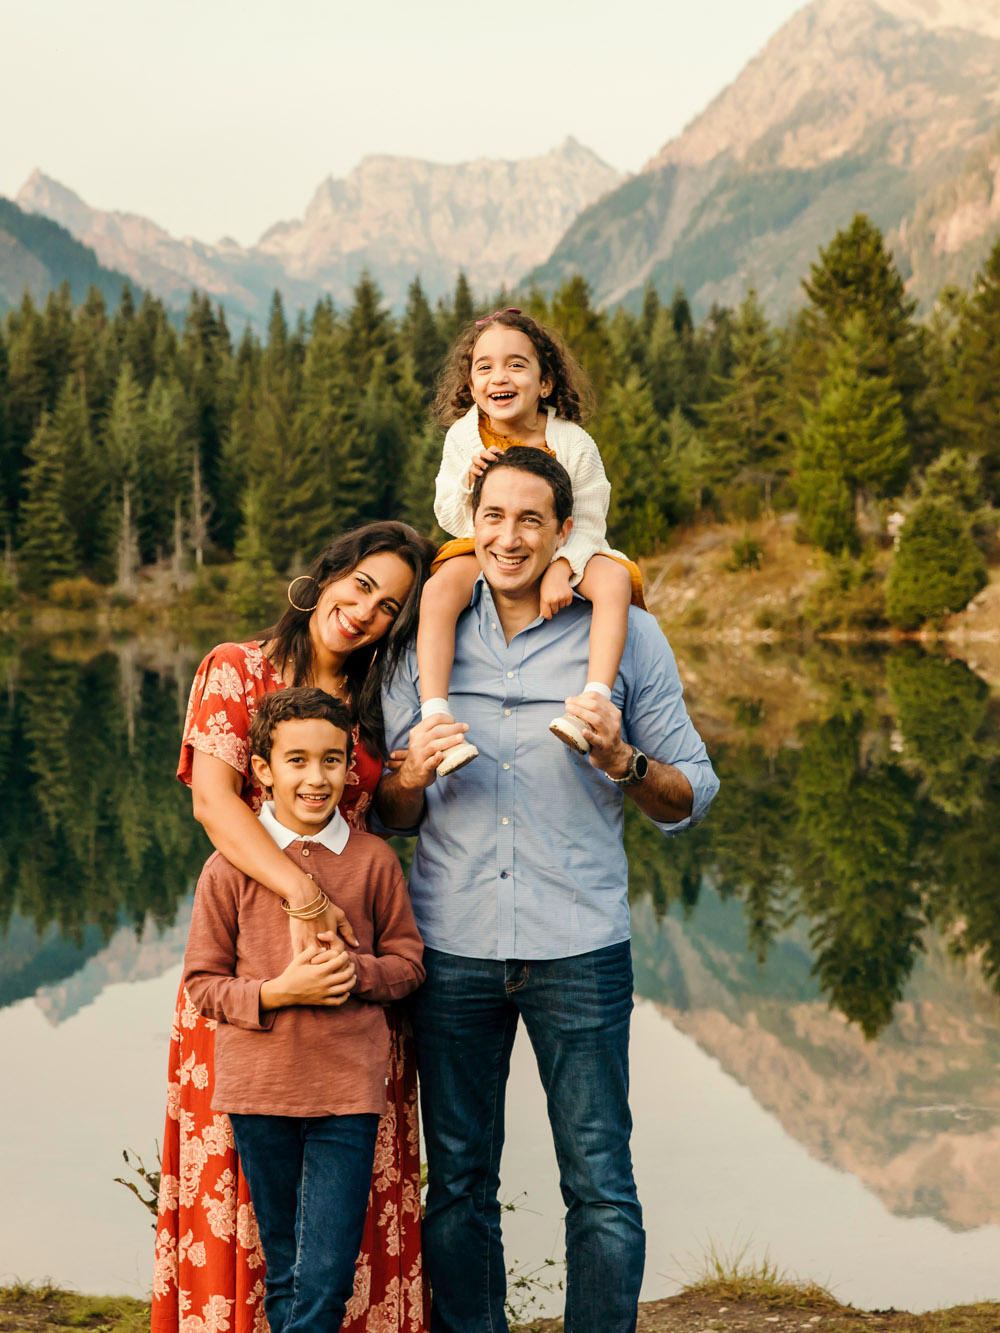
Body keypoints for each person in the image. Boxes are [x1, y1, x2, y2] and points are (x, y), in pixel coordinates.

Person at [376, 448, 720, 1333]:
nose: (510, 536)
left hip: (581, 948)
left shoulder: (628, 637)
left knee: (600, 1183)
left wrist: (623, 761)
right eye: (494, 517)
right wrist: (408, 773)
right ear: (471, 524)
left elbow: (691, 790)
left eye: (532, 519)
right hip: (451, 947)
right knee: (456, 1183)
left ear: (565, 532)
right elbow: (394, 807)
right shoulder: (427, 643)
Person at [155, 520, 435, 1333]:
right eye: (361, 587)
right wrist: (303, 897)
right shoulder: (236, 668)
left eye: (388, 607)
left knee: (346, 1189)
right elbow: (214, 802)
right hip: (256, 973)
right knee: (256, 1183)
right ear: (328, 574)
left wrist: (410, 778)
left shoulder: (376, 703)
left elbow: (390, 819)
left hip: (352, 991)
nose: (365, 612)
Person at [183, 686, 426, 1333]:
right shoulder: (229, 867)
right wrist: (278, 992)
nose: (315, 777)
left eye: (331, 760)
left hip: (347, 1091)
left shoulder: (374, 861)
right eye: (296, 760)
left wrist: (355, 975)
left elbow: (409, 964)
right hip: (260, 1090)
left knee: (324, 1273)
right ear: (262, 769)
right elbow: (202, 983)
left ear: (352, 767)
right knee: (288, 1268)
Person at [416, 308, 642, 776]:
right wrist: (467, 480)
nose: (499, 376)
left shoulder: (573, 441)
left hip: (569, 543)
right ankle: (436, 715)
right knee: (439, 589)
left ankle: (592, 705)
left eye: (516, 364)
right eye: (485, 367)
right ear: (472, 384)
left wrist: (563, 566)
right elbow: (452, 517)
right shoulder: (465, 436)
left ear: (545, 383)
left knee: (616, 579)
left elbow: (591, 517)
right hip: (491, 548)